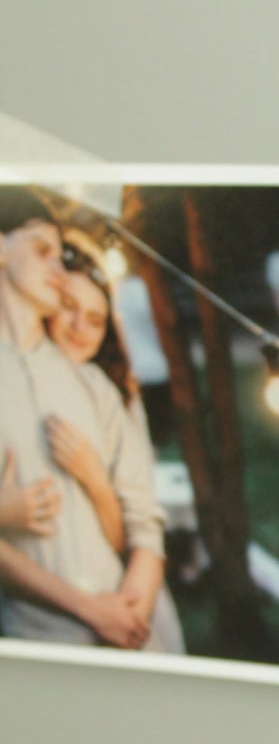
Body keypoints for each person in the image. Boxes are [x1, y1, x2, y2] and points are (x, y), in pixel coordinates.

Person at [0, 195, 167, 650]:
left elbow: (141, 526)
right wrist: (91, 611)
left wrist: (128, 620)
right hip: (37, 643)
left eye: (60, 254)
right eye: (42, 250)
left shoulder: (93, 384)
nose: (57, 267)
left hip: (130, 631)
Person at [47, 234, 184, 653]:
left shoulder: (114, 393)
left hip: (131, 582)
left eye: (95, 319)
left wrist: (94, 478)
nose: (79, 328)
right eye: (68, 307)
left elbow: (141, 525)